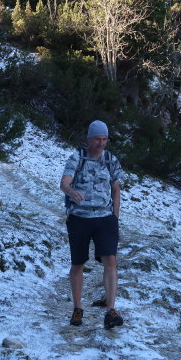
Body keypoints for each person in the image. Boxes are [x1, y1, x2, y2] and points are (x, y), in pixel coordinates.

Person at [60, 120, 124, 329]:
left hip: (105, 218)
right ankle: (78, 308)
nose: (101, 143)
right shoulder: (78, 157)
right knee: (78, 263)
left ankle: (110, 310)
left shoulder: (111, 160)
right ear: (89, 138)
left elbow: (116, 189)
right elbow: (64, 183)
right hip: (79, 217)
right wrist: (71, 193)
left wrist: (114, 216)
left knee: (110, 261)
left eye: (105, 139)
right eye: (98, 139)